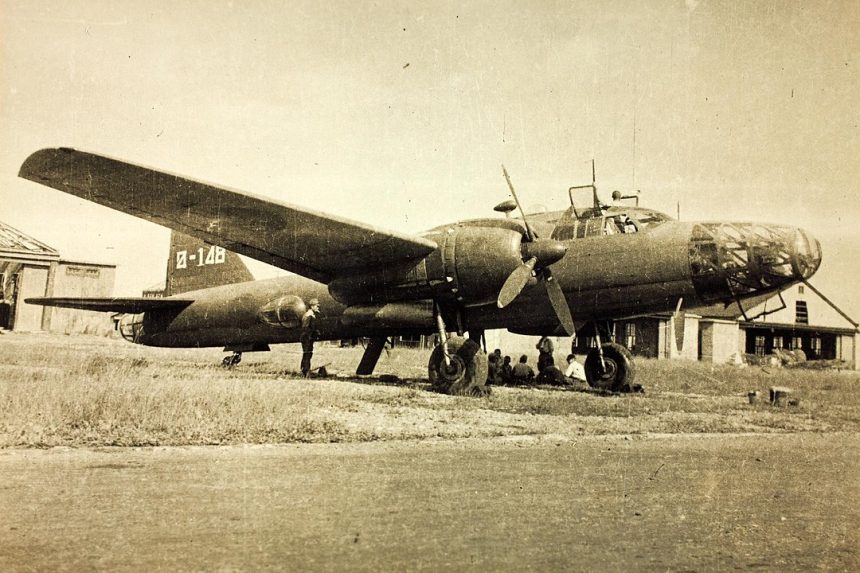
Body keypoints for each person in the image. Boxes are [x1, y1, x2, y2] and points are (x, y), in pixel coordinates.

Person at [300, 298, 321, 377]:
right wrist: (310, 336)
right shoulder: (308, 315)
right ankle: (306, 371)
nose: (317, 307)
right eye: (316, 306)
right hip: (306, 337)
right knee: (307, 353)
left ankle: (305, 369)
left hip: (308, 337)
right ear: (312, 306)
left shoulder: (311, 315)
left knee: (308, 353)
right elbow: (305, 328)